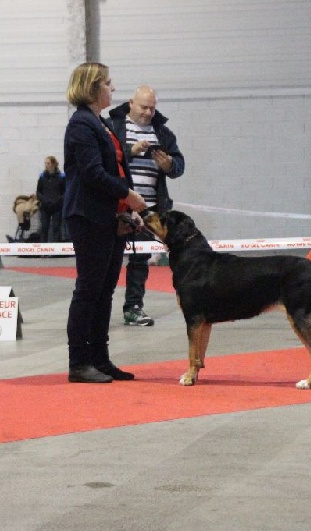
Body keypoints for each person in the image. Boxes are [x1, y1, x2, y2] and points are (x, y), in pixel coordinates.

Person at [62, 62, 147, 383]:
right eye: (108, 83)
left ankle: (100, 359)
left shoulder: (102, 123)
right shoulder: (80, 124)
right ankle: (78, 363)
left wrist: (126, 208)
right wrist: (129, 195)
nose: (113, 88)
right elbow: (93, 173)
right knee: (88, 290)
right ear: (92, 87)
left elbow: (117, 168)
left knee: (105, 291)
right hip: (88, 216)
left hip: (109, 216)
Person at [108, 85, 186, 326]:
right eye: (144, 107)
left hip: (149, 208)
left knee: (140, 260)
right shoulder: (112, 126)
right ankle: (99, 306)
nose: (148, 112)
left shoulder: (162, 133)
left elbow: (179, 166)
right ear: (131, 103)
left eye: (152, 108)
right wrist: (129, 151)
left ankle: (134, 307)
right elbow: (104, 160)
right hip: (117, 207)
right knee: (108, 259)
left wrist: (169, 164)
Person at [36, 156, 66, 243]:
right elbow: (38, 191)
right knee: (44, 227)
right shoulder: (42, 176)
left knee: (56, 227)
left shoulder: (61, 177)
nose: (46, 165)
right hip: (45, 206)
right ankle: (43, 248)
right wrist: (43, 200)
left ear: (53, 164)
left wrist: (58, 200)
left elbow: (65, 192)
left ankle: (56, 247)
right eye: (45, 163)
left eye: (48, 163)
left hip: (57, 206)